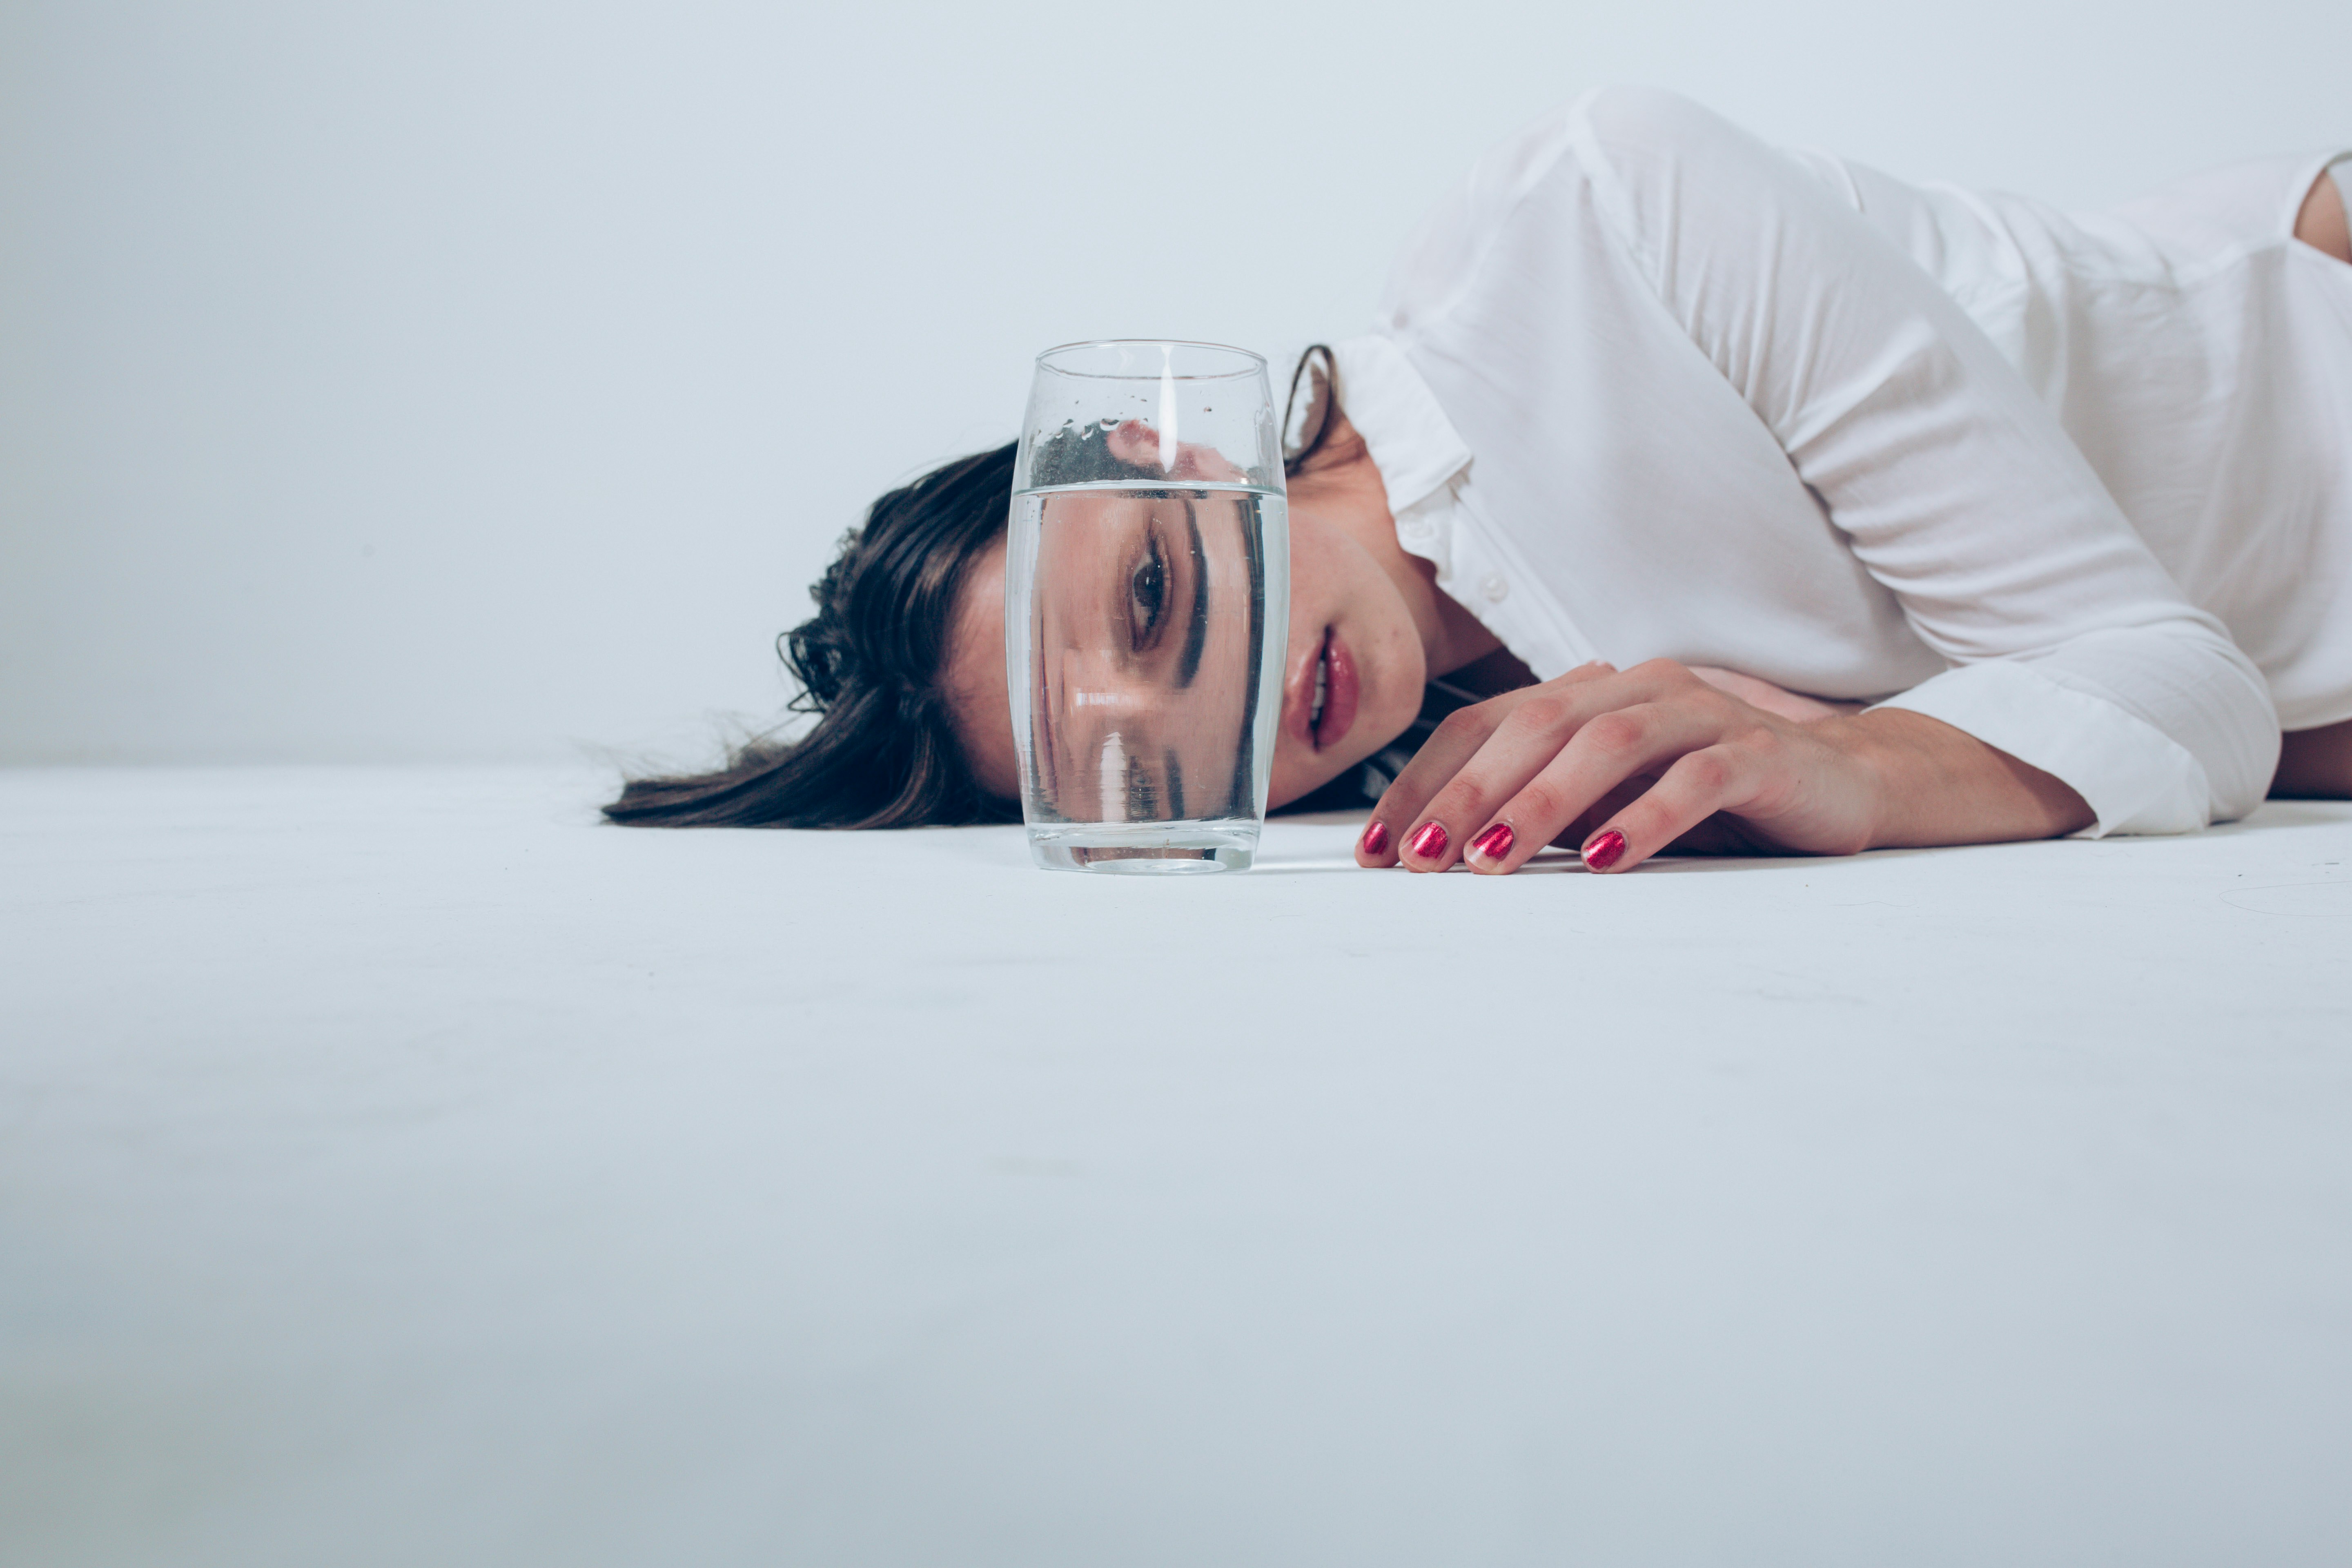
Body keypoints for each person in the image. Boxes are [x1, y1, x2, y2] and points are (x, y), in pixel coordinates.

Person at [607, 87, 2352, 875]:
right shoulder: (1476, 762)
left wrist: (1856, 770)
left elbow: (2181, 685)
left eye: (1150, 598)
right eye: (1138, 759)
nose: (1219, 702)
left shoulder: (1594, 224)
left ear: (1172, 453)